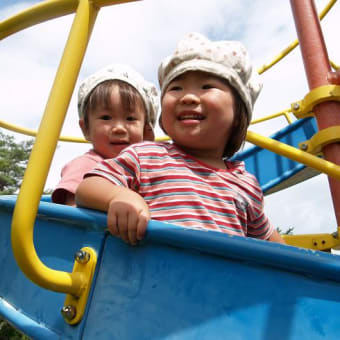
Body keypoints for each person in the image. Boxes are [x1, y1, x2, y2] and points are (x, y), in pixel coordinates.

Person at [76, 32, 285, 245]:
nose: (188, 97)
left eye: (206, 87)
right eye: (176, 88)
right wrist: (117, 196)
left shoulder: (246, 183)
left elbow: (274, 245)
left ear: (238, 113)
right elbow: (87, 187)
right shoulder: (147, 155)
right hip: (154, 275)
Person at [52, 64, 159, 206]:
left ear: (146, 132)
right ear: (86, 129)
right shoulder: (87, 165)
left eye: (130, 119)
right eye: (106, 118)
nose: (119, 128)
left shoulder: (147, 171)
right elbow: (73, 212)